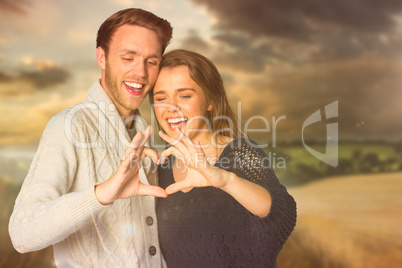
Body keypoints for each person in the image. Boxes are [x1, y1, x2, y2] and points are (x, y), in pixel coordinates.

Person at [9, 8, 172, 267]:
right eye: (128, 57)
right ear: (102, 57)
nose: (140, 72)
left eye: (151, 61)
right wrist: (100, 195)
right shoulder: (68, 126)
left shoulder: (145, 132)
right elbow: (22, 234)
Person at [150, 49, 297, 267]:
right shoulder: (161, 169)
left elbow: (281, 213)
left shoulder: (239, 151)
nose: (171, 107)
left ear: (209, 101)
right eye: (161, 98)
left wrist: (224, 180)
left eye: (185, 95)